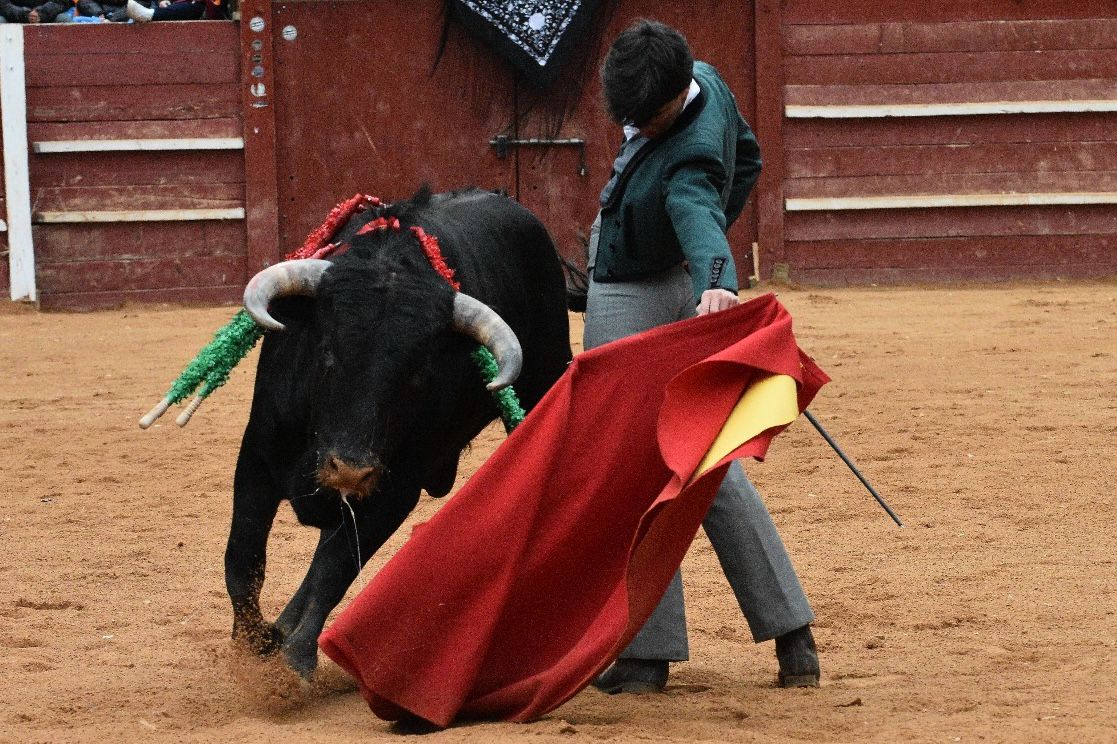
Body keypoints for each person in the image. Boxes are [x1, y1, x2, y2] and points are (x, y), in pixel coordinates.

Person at [585, 19, 820, 693]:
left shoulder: (685, 159)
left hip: (632, 291)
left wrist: (714, 275)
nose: (637, 126)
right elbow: (745, 159)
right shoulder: (709, 79)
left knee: (638, 466)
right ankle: (789, 632)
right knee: (706, 458)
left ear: (670, 98)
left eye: (646, 118)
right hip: (671, 277)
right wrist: (698, 264)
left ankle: (645, 654)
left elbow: (695, 200)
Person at [125, 0, 225, 22]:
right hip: (175, 6)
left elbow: (214, 7)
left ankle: (148, 15)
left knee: (194, 7)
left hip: (202, 11)